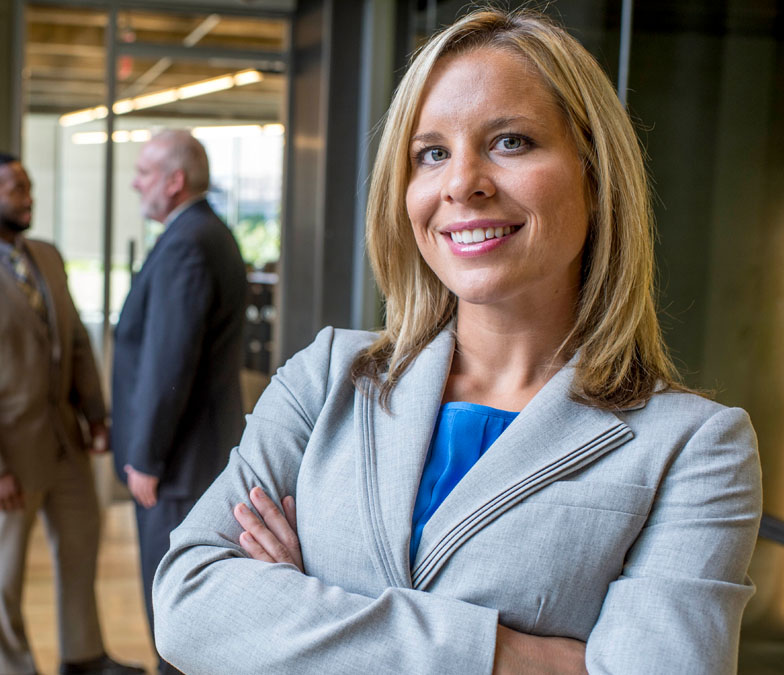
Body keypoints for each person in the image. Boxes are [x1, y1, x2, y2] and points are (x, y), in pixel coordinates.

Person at [152, 8, 762, 675]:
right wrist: (506, 654)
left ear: (595, 174)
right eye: (432, 153)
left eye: (511, 141)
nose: (461, 182)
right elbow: (187, 600)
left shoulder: (694, 448)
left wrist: (295, 610)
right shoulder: (327, 376)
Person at [0, 152, 143, 675]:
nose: (27, 199)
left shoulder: (46, 256)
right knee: (4, 573)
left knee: (82, 545)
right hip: (4, 459)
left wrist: (96, 412)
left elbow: (77, 340)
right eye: (15, 190)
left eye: (29, 188)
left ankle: (83, 657)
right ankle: (11, 668)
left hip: (64, 441)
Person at [112, 130, 248, 673]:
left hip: (178, 465)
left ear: (174, 181)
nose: (134, 183)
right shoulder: (202, 231)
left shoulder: (188, 243)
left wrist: (147, 458)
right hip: (192, 456)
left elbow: (170, 363)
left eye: (144, 172)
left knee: (171, 608)